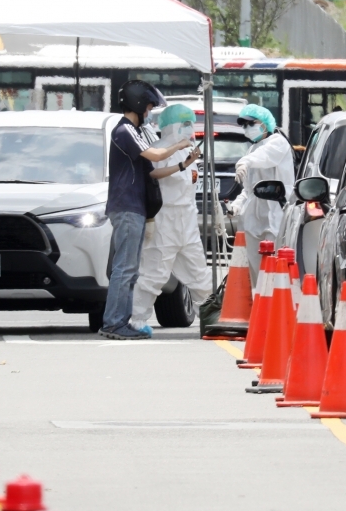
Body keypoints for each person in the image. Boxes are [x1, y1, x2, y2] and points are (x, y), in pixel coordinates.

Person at [102, 81, 191, 340]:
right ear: (139, 104)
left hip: (136, 207)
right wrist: (177, 145)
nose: (151, 111)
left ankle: (119, 321)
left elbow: (153, 171)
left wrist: (183, 166)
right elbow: (154, 156)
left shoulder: (135, 132)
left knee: (130, 269)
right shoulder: (125, 130)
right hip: (127, 207)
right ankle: (114, 323)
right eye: (150, 106)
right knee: (125, 268)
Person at [130, 103, 211, 336]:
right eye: (184, 124)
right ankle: (136, 320)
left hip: (187, 220)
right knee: (153, 273)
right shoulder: (158, 150)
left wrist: (186, 158)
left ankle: (210, 318)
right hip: (165, 219)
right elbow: (152, 174)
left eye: (191, 124)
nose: (189, 129)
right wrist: (180, 164)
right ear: (171, 126)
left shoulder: (189, 152)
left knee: (199, 274)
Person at [228, 104, 295, 286]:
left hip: (275, 213)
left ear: (264, 124)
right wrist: (237, 204)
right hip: (253, 219)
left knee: (275, 268)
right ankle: (260, 307)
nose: (247, 129)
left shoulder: (277, 143)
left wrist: (245, 162)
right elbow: (249, 190)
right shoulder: (252, 149)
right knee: (256, 272)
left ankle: (276, 308)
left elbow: (265, 157)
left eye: (251, 123)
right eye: (244, 125)